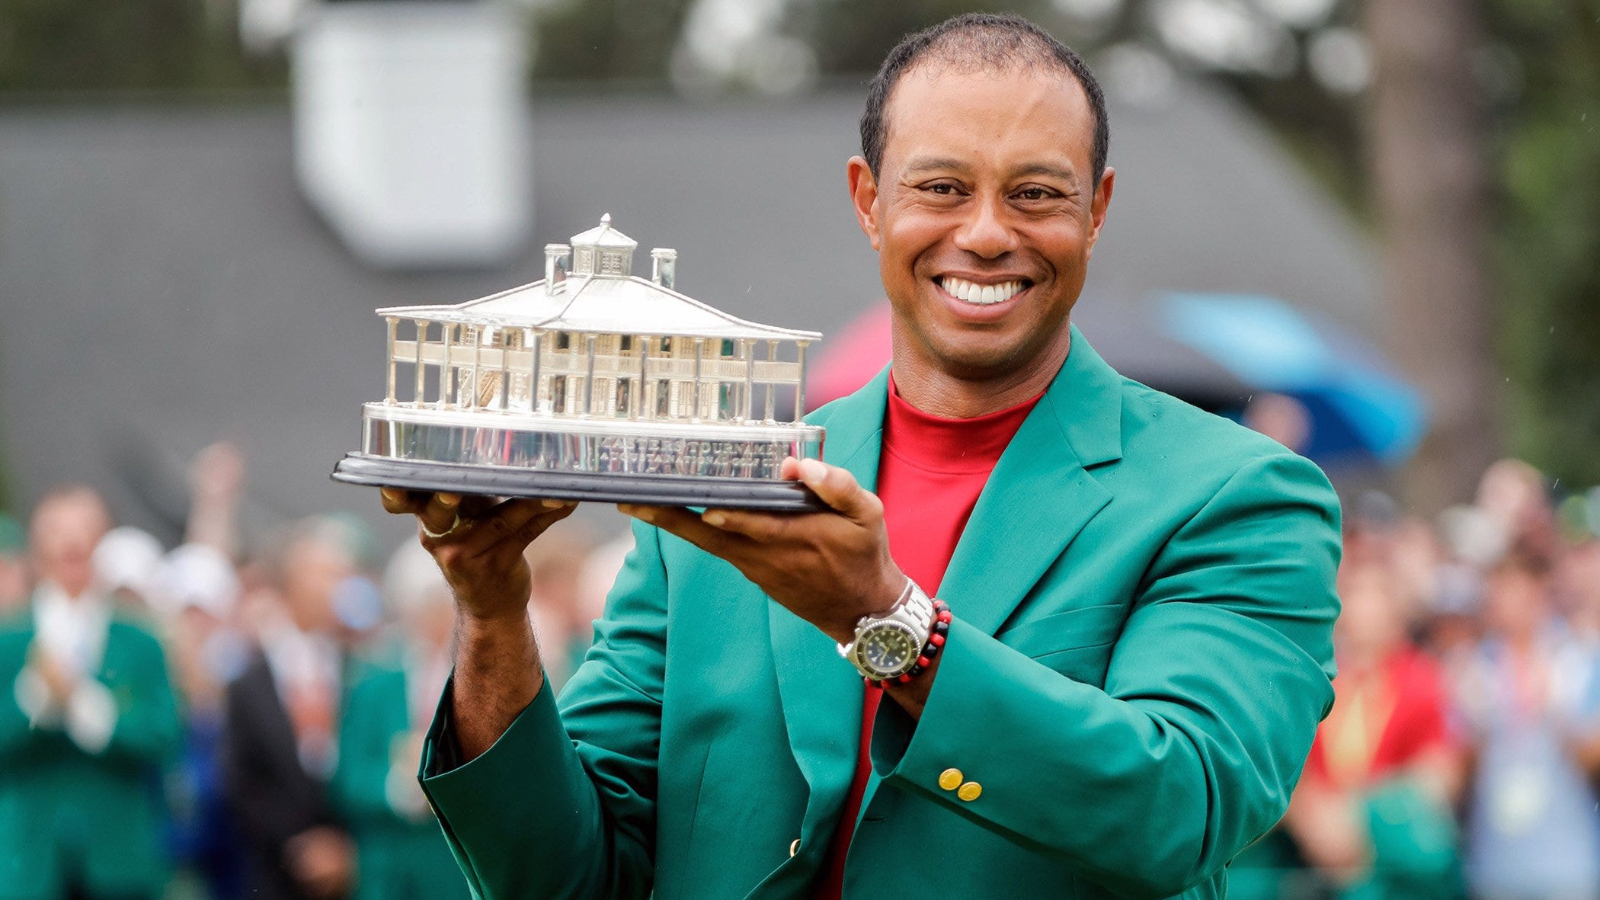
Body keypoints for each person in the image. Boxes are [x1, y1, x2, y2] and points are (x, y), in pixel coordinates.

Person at [382, 13, 1341, 899]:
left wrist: (891, 624)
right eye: (941, 188)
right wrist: (490, 607)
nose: (986, 232)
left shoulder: (1237, 495)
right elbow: (565, 878)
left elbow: (1183, 809)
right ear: (868, 201)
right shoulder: (712, 498)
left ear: (1096, 211)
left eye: (1037, 194)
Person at [0, 486, 182, 900]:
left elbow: (165, 735)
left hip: (120, 864)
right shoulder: (9, 641)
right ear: (37, 545)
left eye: (84, 530)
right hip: (30, 862)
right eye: (58, 532)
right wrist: (36, 700)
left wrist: (88, 706)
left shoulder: (140, 641)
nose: (72, 543)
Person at [222, 518, 356, 900]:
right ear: (289, 582)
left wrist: (345, 847)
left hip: (354, 873)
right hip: (273, 874)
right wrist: (300, 845)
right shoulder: (249, 681)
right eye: (324, 574)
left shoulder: (360, 672)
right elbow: (240, 779)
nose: (337, 586)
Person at [331, 543, 470, 900]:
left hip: (455, 871)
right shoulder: (374, 683)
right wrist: (397, 789)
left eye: (446, 605)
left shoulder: (478, 683)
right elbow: (349, 776)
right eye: (427, 606)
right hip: (389, 871)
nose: (437, 619)